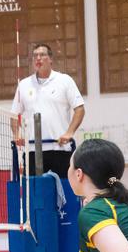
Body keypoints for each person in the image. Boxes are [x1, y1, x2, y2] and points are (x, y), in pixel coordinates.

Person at [11, 43, 85, 178]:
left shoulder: (64, 80)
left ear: (50, 59)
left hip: (60, 148)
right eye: (35, 56)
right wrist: (16, 135)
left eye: (42, 55)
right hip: (33, 150)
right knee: (35, 194)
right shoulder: (24, 85)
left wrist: (69, 133)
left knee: (65, 193)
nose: (38, 58)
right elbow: (14, 115)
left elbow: (79, 109)